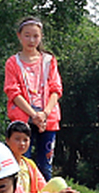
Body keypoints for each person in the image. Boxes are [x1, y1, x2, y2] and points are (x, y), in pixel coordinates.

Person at [4, 16, 63, 180]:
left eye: (35, 36)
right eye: (27, 35)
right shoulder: (12, 62)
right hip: (23, 118)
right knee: (22, 163)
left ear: (41, 37)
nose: (31, 40)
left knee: (45, 164)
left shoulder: (49, 61)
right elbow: (12, 92)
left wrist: (44, 113)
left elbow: (56, 89)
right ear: (19, 36)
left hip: (47, 119)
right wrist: (33, 114)